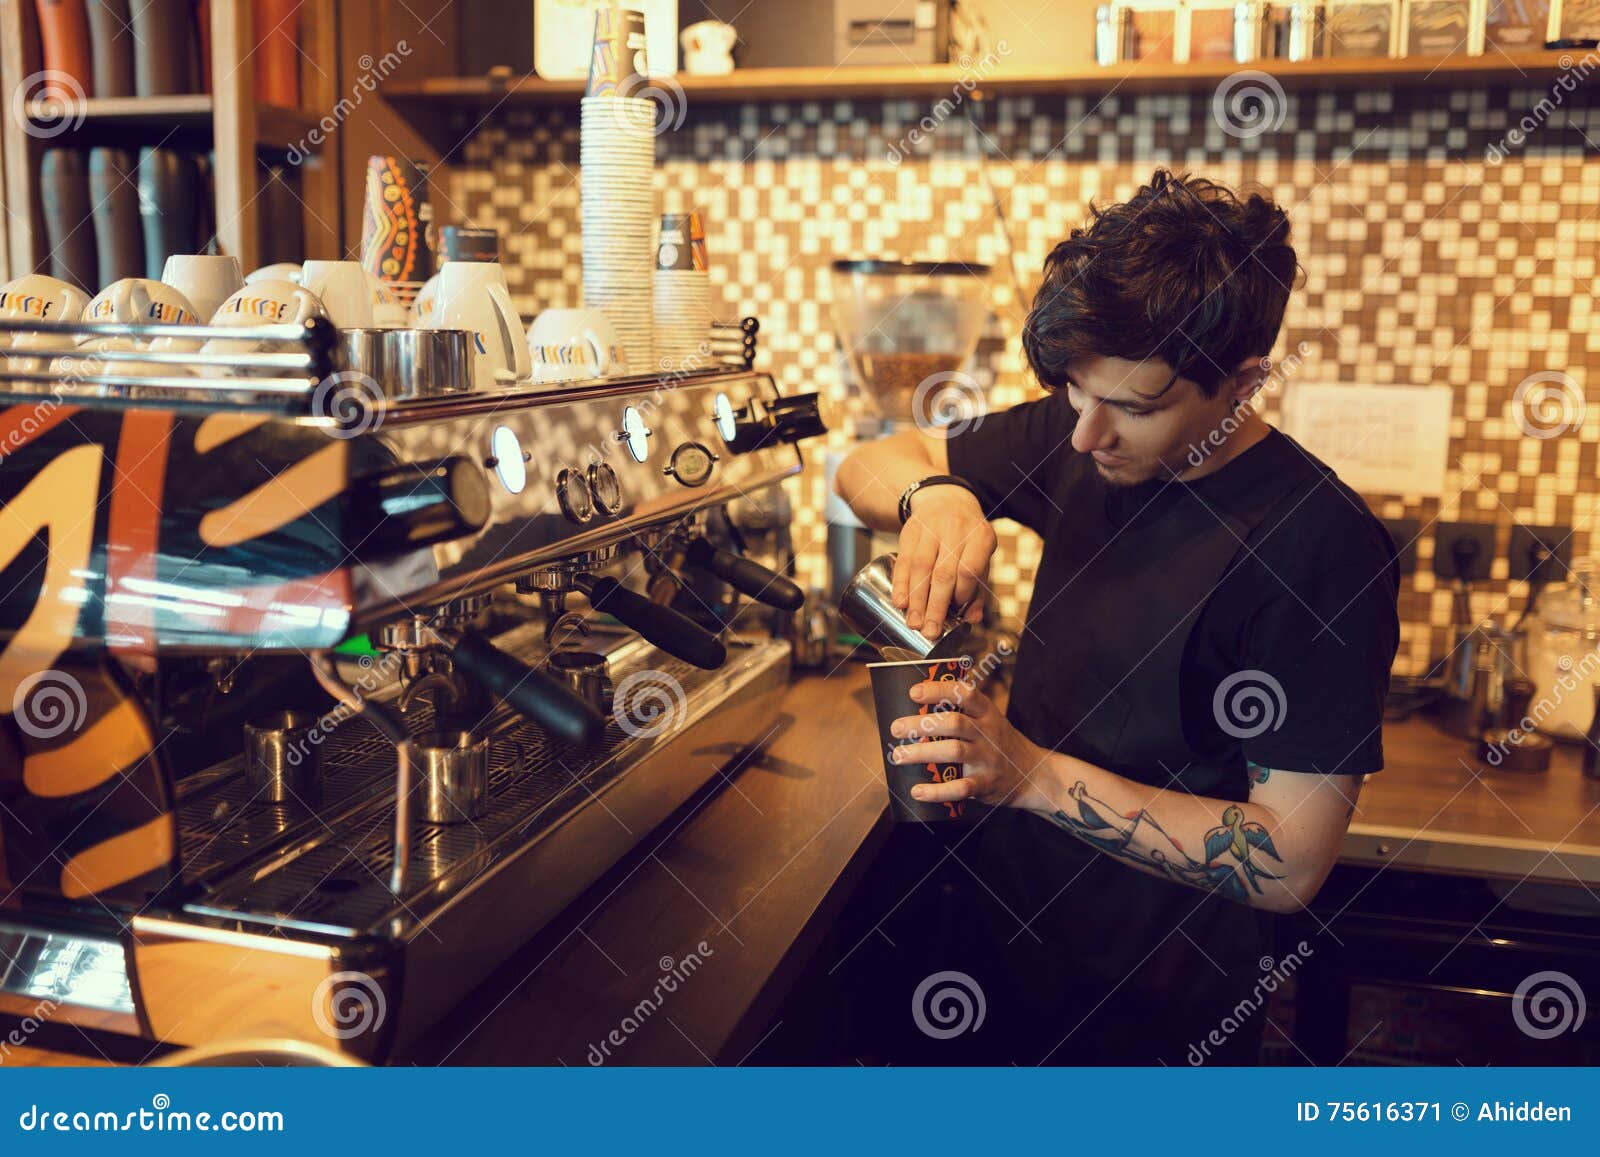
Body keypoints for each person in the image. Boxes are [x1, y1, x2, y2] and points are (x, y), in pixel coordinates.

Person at [832, 169, 1400, 1065]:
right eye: (1073, 392)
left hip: (1156, 1013)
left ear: (1243, 383)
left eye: (1135, 408)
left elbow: (1291, 862)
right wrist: (933, 494)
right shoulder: (1085, 431)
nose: (1088, 437)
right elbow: (870, 458)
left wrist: (1028, 775)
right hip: (999, 958)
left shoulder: (1318, 546)